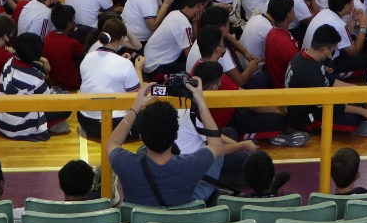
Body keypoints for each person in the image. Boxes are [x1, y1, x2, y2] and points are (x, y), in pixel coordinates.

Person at [107, 81, 256, 207]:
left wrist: (135, 107)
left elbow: (112, 142)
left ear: (141, 136)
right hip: (184, 209)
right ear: (175, 136)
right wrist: (201, 103)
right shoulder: (191, 164)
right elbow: (216, 145)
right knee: (217, 157)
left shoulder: (125, 163)